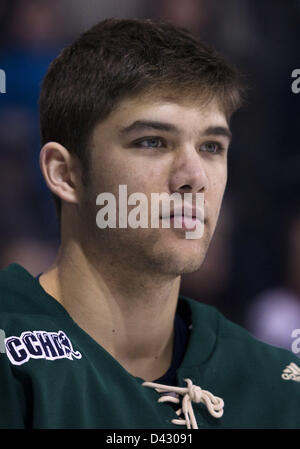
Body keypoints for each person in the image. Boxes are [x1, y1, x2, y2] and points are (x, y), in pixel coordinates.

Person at [0, 18, 299, 430]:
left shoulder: (279, 385)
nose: (195, 176)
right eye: (152, 142)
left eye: (212, 146)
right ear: (65, 174)